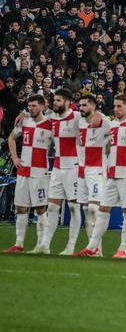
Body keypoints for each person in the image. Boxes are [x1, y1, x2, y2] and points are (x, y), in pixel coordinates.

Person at [74, 94, 126, 258]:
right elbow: (96, 118)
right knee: (103, 210)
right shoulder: (110, 125)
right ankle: (92, 248)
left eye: (120, 106)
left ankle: (123, 249)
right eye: (115, 106)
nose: (117, 109)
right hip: (111, 174)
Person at [4, 94, 53, 254]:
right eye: (29, 106)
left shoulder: (50, 124)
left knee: (40, 208)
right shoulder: (25, 121)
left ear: (42, 106)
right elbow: (11, 138)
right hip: (24, 170)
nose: (30, 108)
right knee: (20, 207)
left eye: (33, 106)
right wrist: (15, 158)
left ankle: (42, 245)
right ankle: (19, 244)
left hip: (40, 171)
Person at [40, 89, 84, 255]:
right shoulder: (52, 118)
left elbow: (97, 118)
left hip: (73, 166)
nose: (55, 103)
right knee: (52, 207)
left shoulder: (78, 116)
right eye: (54, 100)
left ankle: (71, 246)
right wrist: (24, 114)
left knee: (73, 206)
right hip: (57, 167)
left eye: (58, 100)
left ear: (66, 102)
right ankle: (45, 244)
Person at [75, 94, 110, 253]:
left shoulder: (104, 122)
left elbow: (120, 125)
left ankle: (96, 248)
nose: (80, 108)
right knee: (86, 211)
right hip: (82, 171)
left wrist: (101, 115)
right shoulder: (79, 121)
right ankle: (94, 249)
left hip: (97, 170)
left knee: (94, 209)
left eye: (84, 105)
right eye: (80, 105)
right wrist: (25, 113)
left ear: (93, 107)